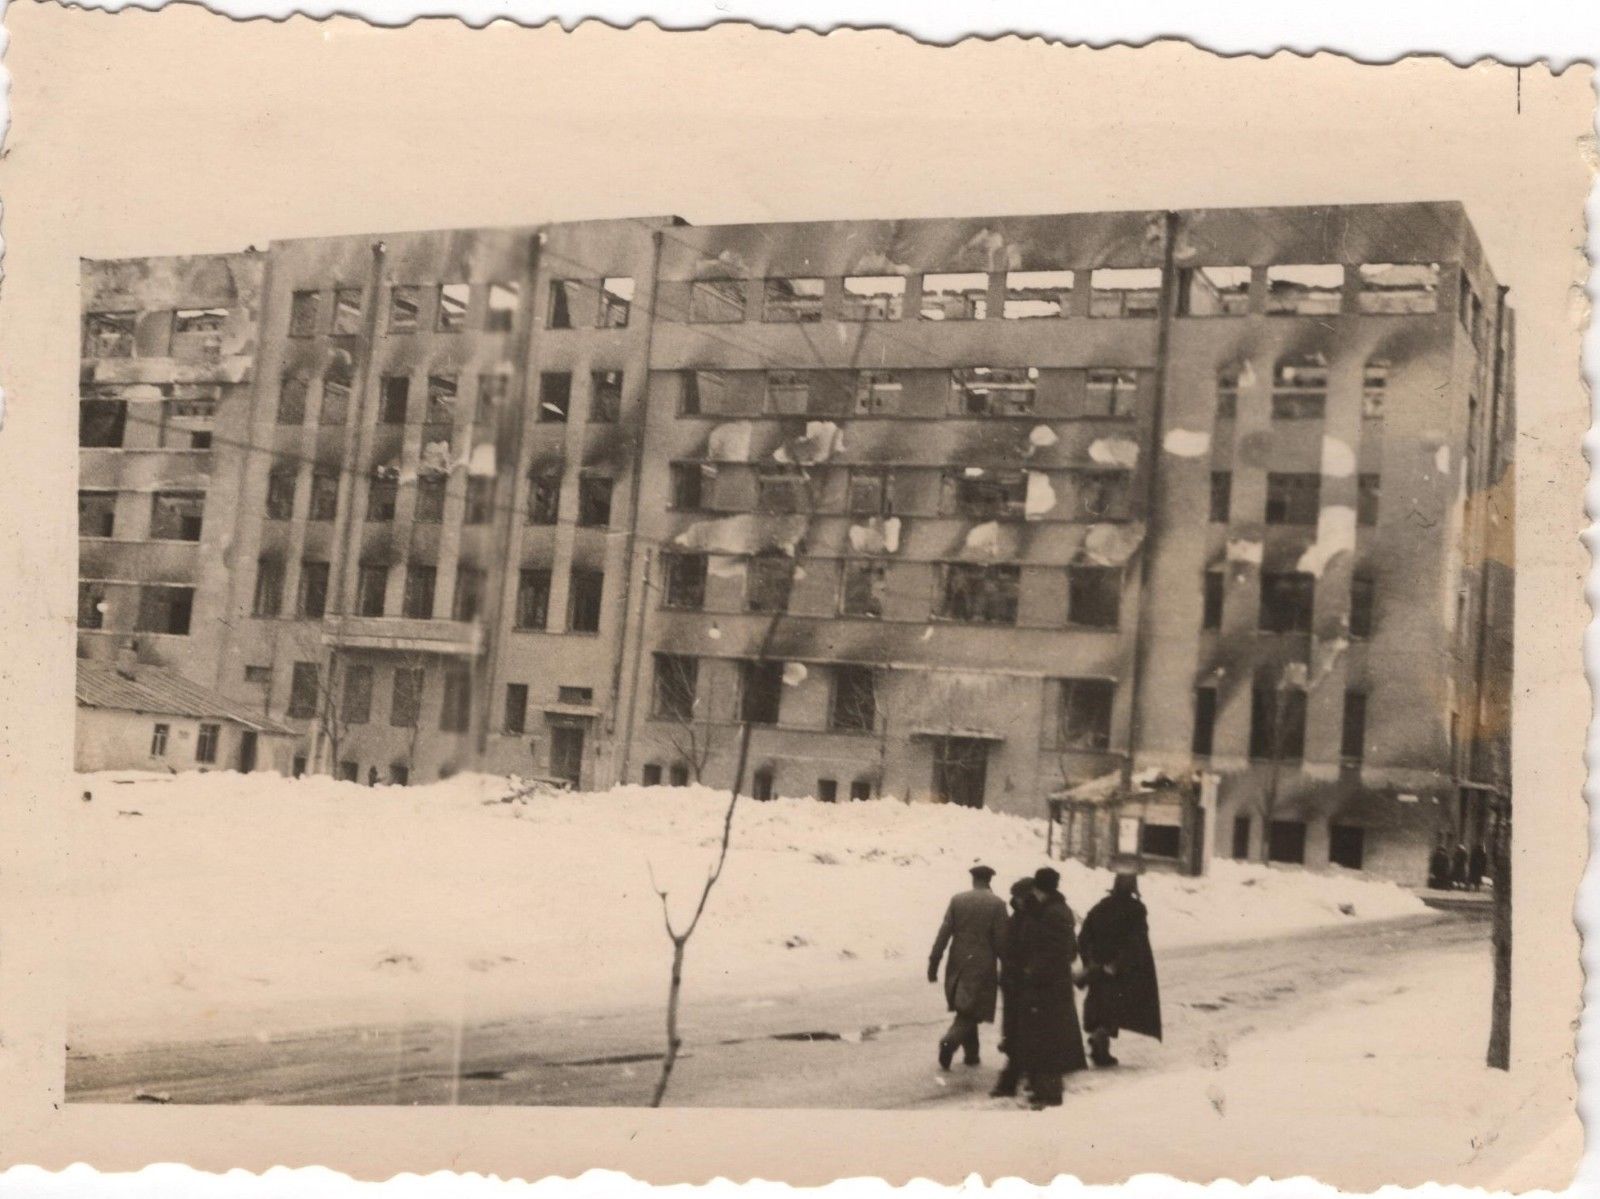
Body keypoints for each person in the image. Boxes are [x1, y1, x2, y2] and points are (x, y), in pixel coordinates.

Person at [1008, 867, 1087, 1108]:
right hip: (1049, 983)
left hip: (1048, 985)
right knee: (1043, 1038)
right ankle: (1043, 1089)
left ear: (1038, 888)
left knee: (1048, 1040)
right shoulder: (1055, 909)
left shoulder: (1053, 913)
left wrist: (1033, 970)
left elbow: (1057, 950)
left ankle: (1050, 1094)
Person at [928, 862, 1008, 1070]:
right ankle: (950, 1041)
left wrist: (934, 962)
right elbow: (1002, 941)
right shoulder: (998, 904)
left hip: (957, 963)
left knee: (967, 1008)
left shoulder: (957, 900)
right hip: (982, 966)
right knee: (972, 1010)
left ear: (973, 880)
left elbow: (944, 933)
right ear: (989, 880)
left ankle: (972, 1055)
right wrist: (1009, 966)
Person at [1077, 871, 1162, 1068]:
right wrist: (1119, 964)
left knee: (1098, 1003)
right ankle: (1100, 1045)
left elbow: (1084, 937)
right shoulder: (1136, 909)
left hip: (1098, 966)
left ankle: (1099, 1043)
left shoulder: (1101, 906)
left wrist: (1090, 961)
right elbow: (1137, 941)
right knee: (1114, 1006)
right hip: (1119, 968)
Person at [990, 877, 1036, 1099]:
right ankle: (1021, 1076)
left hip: (1025, 982)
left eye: (1021, 896)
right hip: (1013, 982)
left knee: (1021, 1030)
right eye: (1016, 897)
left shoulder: (1032, 920)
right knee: (1015, 1029)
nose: (1018, 900)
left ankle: (1010, 1081)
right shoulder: (1016, 919)